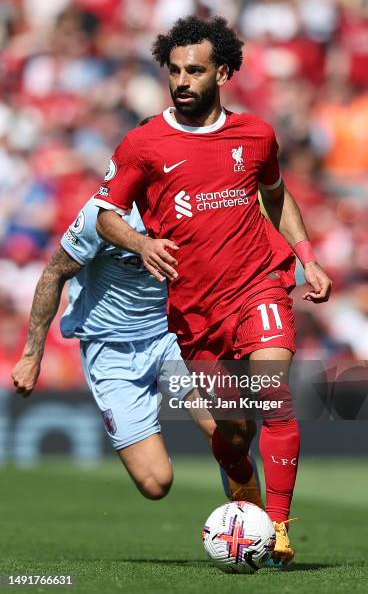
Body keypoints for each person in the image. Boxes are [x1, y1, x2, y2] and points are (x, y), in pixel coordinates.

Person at [94, 16, 333, 565]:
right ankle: (240, 475)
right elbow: (106, 215)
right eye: (174, 70)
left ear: (222, 72)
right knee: (232, 428)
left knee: (273, 399)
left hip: (259, 286)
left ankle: (277, 529)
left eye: (194, 70)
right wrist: (142, 243)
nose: (182, 80)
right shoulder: (143, 143)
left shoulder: (255, 135)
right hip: (195, 310)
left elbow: (276, 194)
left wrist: (307, 259)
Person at [11, 131, 221, 501]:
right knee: (156, 483)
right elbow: (54, 272)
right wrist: (32, 355)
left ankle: (259, 528)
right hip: (112, 348)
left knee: (225, 431)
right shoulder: (100, 215)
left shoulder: (195, 208)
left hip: (172, 336)